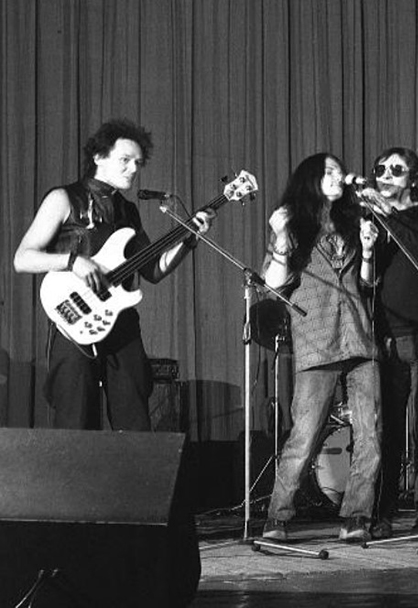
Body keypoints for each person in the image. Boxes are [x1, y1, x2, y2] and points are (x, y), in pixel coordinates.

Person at [13, 118, 215, 430]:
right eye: (125, 160)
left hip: (120, 324)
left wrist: (189, 240)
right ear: (98, 157)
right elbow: (23, 258)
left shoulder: (128, 212)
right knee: (75, 423)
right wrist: (73, 261)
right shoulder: (64, 199)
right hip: (74, 323)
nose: (133, 169)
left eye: (138, 162)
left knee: (134, 421)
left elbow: (153, 270)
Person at [260, 152, 381, 544]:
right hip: (317, 337)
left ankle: (356, 516)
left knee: (369, 433)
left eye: (338, 171)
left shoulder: (353, 223)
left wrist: (367, 252)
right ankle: (277, 516)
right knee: (305, 434)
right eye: (328, 171)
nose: (336, 176)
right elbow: (273, 285)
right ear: (310, 178)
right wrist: (281, 239)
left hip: (358, 336)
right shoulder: (294, 225)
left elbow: (367, 284)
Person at [360, 147, 418, 539]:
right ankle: (382, 514)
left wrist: (389, 213)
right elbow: (367, 279)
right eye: (380, 169)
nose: (385, 174)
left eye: (396, 169)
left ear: (414, 178)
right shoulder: (372, 220)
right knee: (388, 430)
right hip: (388, 334)